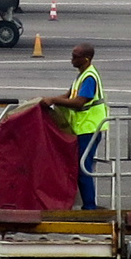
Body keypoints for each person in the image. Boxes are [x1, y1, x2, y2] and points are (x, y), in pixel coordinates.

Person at [42, 43, 108, 210]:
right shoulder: (82, 75)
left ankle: (90, 207)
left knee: (83, 167)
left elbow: (79, 102)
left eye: (75, 56)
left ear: (86, 59)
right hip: (82, 128)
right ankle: (88, 205)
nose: (71, 59)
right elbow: (69, 95)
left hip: (89, 128)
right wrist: (48, 100)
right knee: (80, 166)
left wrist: (54, 101)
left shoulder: (89, 78)